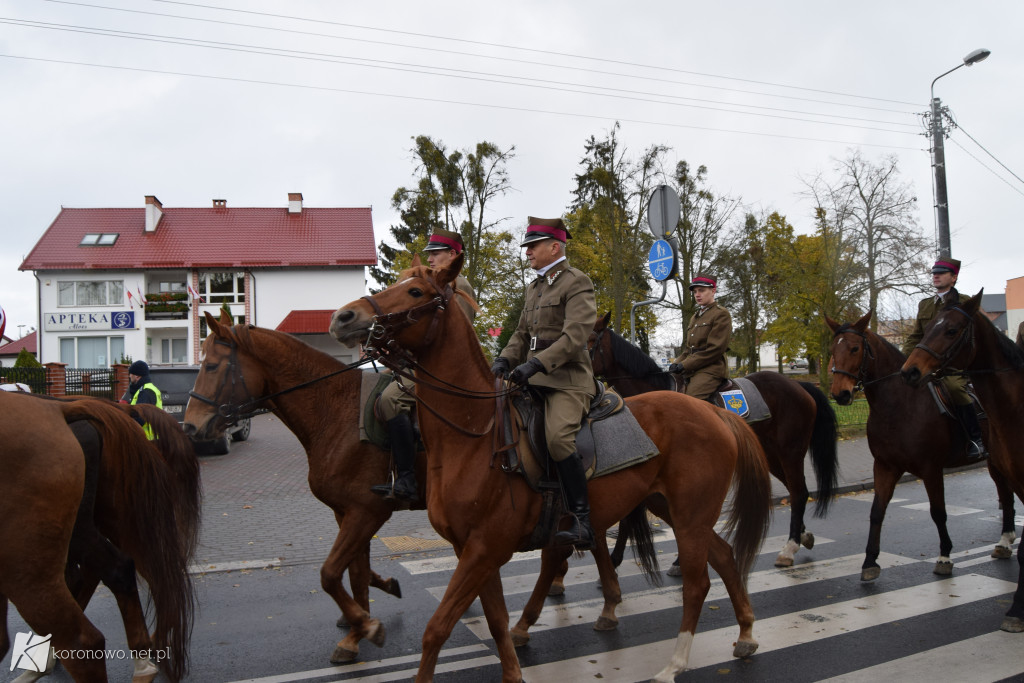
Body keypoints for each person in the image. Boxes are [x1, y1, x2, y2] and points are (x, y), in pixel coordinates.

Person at [492, 216, 598, 550]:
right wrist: (504, 359)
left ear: (555, 247)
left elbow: (575, 336)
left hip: (568, 380)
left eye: (533, 246)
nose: (527, 253)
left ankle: (582, 520)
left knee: (557, 439)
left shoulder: (576, 282)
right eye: (526, 247)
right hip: (533, 376)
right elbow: (522, 334)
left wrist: (537, 363)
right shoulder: (534, 287)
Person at [370, 228, 477, 501]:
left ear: (453, 255)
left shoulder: (458, 286)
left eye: (436, 254)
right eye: (429, 254)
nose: (430, 260)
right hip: (419, 363)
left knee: (390, 400)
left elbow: (447, 339)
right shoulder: (432, 284)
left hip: (439, 370)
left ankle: (407, 478)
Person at [901, 258, 987, 461]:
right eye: (933, 273)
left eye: (941, 273)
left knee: (955, 389)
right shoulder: (925, 305)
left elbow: (978, 335)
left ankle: (976, 439)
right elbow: (917, 336)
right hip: (927, 364)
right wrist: (904, 359)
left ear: (954, 277)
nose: (936, 276)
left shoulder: (966, 301)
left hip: (954, 367)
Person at [668, 274, 732, 402]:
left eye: (701, 290)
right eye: (695, 291)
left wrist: (684, 365)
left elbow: (714, 349)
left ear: (713, 291)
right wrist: (675, 364)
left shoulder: (721, 314)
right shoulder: (695, 317)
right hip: (692, 368)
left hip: (710, 370)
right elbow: (688, 350)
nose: (697, 294)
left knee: (689, 402)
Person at [127, 359, 163, 439]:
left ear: (137, 376)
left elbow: (140, 417)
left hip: (147, 439)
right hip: (149, 438)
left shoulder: (146, 391)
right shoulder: (147, 389)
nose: (129, 376)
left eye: (130, 374)